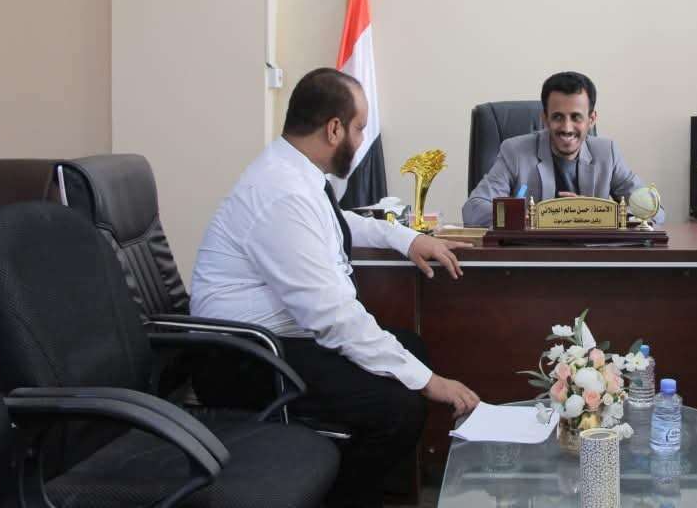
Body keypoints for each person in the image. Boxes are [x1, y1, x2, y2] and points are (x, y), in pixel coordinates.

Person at [190, 68, 480, 508]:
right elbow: (334, 317)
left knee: (411, 349)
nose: (362, 140)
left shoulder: (294, 172)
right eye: (360, 128)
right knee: (399, 409)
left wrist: (406, 239)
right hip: (240, 359)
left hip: (275, 341)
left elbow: (336, 222)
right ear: (333, 129)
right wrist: (431, 383)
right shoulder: (282, 192)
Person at [462, 71, 664, 227]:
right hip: (532, 259)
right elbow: (472, 209)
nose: (567, 128)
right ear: (544, 118)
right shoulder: (515, 151)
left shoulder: (607, 153)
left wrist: (595, 213)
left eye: (576, 117)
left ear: (591, 119)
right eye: (558, 117)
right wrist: (534, 216)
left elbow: (655, 211)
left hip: (593, 261)